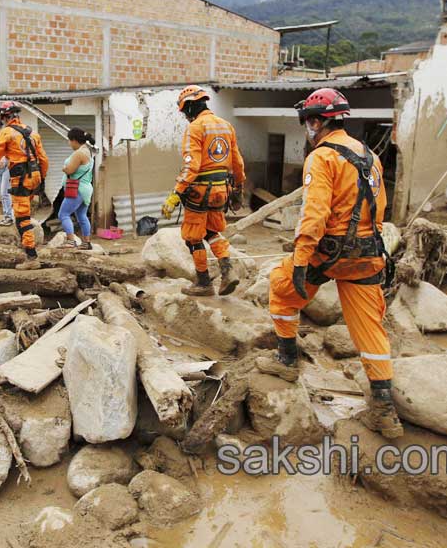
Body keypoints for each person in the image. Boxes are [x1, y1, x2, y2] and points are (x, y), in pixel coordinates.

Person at [257, 88, 403, 439]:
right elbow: (379, 209)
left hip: (328, 252)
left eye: (308, 121)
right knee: (370, 328)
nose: (307, 127)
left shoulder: (321, 158)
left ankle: (287, 361)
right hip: (368, 253)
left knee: (281, 290)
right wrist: (372, 245)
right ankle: (384, 409)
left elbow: (315, 214)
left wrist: (301, 261)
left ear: (316, 122)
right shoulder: (370, 155)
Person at [161, 85, 245, 297]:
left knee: (193, 237)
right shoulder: (225, 126)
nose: (185, 117)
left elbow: (192, 167)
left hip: (199, 191)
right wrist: (238, 188)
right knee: (212, 231)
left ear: (189, 107)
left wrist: (175, 195)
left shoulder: (195, 128)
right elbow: (237, 162)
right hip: (221, 191)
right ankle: (227, 270)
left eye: (184, 112)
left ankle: (204, 282)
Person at [0, 101, 49, 269]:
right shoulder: (32, 133)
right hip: (34, 176)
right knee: (25, 213)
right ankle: (28, 246)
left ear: (4, 117)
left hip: (20, 177)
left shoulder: (6, 133)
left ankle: (31, 257)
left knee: (22, 218)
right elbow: (44, 160)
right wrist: (42, 177)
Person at [58, 127, 94, 250]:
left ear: (74, 140)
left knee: (63, 214)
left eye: (69, 140)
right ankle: (86, 242)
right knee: (82, 215)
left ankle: (71, 241)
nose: (69, 143)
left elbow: (70, 170)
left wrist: (64, 168)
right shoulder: (88, 151)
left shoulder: (79, 153)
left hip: (77, 189)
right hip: (85, 188)